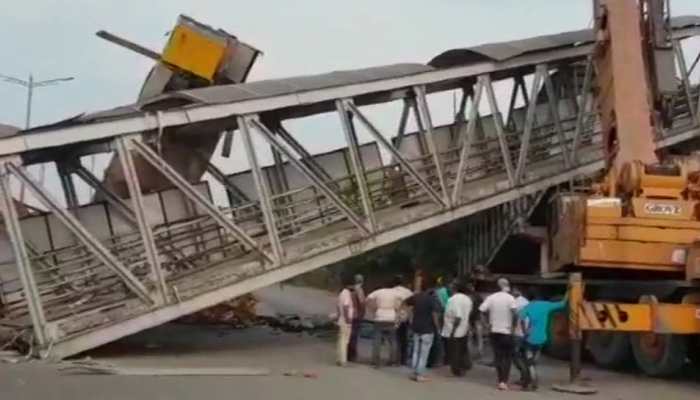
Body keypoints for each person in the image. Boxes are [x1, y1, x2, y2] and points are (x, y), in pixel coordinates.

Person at [518, 293, 568, 391]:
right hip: (542, 338)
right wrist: (568, 293)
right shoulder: (547, 305)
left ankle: (532, 382)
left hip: (530, 338)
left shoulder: (529, 306)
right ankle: (531, 378)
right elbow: (562, 303)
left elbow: (521, 318)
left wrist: (524, 331)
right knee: (534, 360)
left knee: (529, 362)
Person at [479, 277, 517, 390]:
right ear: (507, 286)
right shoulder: (511, 298)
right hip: (507, 331)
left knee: (498, 356)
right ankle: (504, 381)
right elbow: (515, 313)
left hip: (494, 331)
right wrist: (513, 327)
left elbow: (481, 311)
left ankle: (500, 380)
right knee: (508, 357)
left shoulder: (491, 297)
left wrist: (486, 325)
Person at [405, 284, 441, 382]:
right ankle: (420, 374)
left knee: (416, 351)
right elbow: (434, 315)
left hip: (416, 327)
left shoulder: (416, 297)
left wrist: (410, 319)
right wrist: (437, 328)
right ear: (431, 289)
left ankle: (414, 372)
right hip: (427, 329)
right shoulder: (432, 300)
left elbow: (406, 304)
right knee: (424, 353)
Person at [366, 280, 402, 368]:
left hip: (380, 316)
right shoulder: (396, 293)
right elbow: (400, 303)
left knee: (377, 340)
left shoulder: (379, 292)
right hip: (391, 317)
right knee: (393, 340)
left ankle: (376, 361)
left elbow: (368, 299)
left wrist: (373, 308)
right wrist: (397, 311)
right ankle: (393, 361)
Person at [441, 281, 473, 376]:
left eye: (450, 288)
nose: (449, 289)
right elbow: (468, 314)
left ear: (455, 289)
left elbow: (458, 317)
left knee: (454, 352)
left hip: (454, 330)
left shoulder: (453, 300)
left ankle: (457, 370)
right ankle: (465, 366)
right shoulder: (468, 299)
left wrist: (452, 332)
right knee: (462, 349)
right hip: (464, 328)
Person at [511, 287, 530, 388]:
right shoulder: (527, 302)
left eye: (514, 290)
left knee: (516, 356)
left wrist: (512, 329)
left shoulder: (515, 302)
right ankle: (525, 377)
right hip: (526, 333)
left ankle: (525, 377)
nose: (513, 292)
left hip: (518, 333)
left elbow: (517, 318)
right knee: (524, 356)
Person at [392, 275, 413, 366]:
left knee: (395, 339)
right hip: (405, 317)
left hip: (394, 317)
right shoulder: (408, 292)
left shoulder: (391, 291)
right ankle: (403, 359)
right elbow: (412, 305)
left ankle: (395, 359)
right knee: (404, 339)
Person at [336, 276, 356, 367]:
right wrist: (348, 319)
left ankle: (339, 359)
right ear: (350, 285)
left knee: (341, 340)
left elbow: (338, 306)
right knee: (345, 341)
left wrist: (339, 316)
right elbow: (346, 306)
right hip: (345, 320)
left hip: (341, 319)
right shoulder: (347, 293)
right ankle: (343, 360)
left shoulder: (341, 293)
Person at [348, 274, 365, 362]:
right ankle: (352, 355)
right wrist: (362, 313)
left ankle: (348, 354)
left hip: (350, 314)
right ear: (362, 281)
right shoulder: (359, 290)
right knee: (354, 335)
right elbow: (361, 302)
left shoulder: (350, 289)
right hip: (356, 315)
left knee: (350, 334)